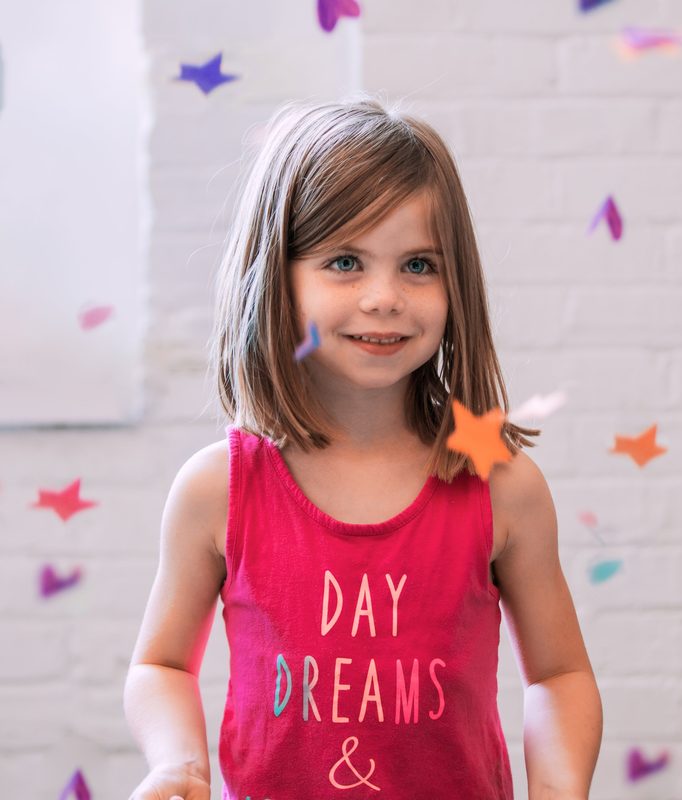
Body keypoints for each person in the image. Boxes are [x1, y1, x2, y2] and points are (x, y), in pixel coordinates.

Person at [124, 94, 602, 800]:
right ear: (275, 275)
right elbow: (161, 665)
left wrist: (558, 790)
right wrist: (178, 762)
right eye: (346, 261)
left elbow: (559, 675)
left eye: (419, 265)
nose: (385, 297)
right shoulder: (216, 490)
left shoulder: (503, 486)